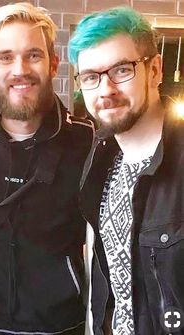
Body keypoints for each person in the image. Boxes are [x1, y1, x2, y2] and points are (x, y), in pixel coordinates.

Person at [0, 2, 94, 334]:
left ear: (53, 64)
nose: (20, 70)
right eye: (5, 57)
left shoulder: (87, 142)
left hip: (61, 326)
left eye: (33, 55)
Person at [68, 6, 184, 335]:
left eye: (121, 70)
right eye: (91, 76)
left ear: (155, 70)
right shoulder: (100, 159)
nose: (106, 90)